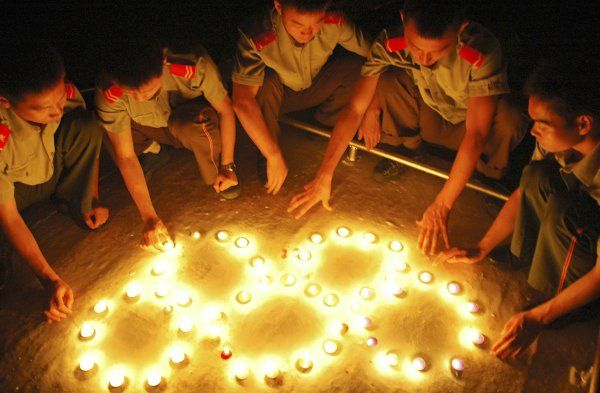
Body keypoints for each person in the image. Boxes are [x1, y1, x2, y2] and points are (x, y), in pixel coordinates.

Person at [288, 0, 528, 255]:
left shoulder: (481, 51)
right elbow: (355, 109)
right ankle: (404, 153)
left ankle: (488, 178)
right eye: (415, 47)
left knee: (512, 115)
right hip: (430, 110)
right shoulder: (389, 43)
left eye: (438, 51)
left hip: (470, 120)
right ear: (403, 19)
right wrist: (324, 175)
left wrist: (441, 206)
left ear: (460, 29)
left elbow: (476, 134)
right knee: (389, 79)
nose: (423, 58)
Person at [437, 59, 600, 359]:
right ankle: (524, 256)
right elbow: (524, 191)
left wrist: (539, 317)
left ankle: (565, 301)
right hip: (578, 203)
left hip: (590, 244)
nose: (533, 132)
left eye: (542, 124)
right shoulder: (561, 140)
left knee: (565, 212)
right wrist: (482, 246)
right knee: (537, 176)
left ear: (583, 124)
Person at [95, 37, 239, 252]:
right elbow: (125, 156)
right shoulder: (109, 93)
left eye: (149, 89)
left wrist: (227, 165)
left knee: (199, 141)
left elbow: (226, 110)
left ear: (162, 63)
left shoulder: (191, 64)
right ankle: (152, 153)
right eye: (133, 93)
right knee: (109, 135)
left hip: (188, 121)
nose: (141, 98)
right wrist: (149, 217)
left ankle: (219, 171)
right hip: (150, 126)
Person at [0, 39, 108, 323]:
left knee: (86, 125)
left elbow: (88, 143)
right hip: (15, 192)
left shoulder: (61, 95)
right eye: (44, 109)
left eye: (59, 97)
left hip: (48, 168)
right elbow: (9, 215)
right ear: (5, 102)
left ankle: (74, 203)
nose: (57, 111)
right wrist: (49, 279)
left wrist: (92, 197)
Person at [232, 0, 371, 195]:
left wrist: (373, 108)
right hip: (278, 95)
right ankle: (267, 153)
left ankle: (325, 129)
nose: (308, 32)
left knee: (357, 69)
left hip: (313, 85)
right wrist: (272, 154)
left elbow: (377, 56)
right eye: (298, 24)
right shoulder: (259, 35)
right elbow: (242, 100)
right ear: (279, 7)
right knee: (265, 83)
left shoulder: (334, 20)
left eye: (316, 22)